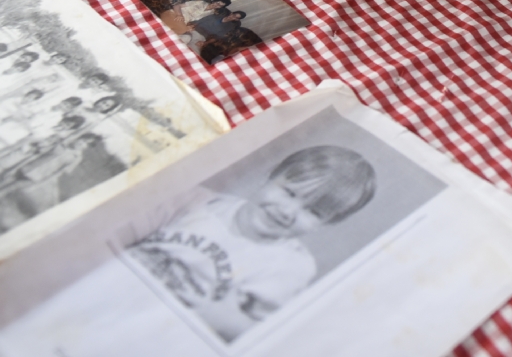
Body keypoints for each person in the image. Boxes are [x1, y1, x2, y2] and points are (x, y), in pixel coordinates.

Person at [126, 145, 376, 340]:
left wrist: (225, 320)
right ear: (268, 177)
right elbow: (123, 232)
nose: (288, 211)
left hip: (171, 329)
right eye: (289, 192)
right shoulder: (200, 202)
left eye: (314, 212)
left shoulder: (291, 266)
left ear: (328, 224)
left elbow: (258, 333)